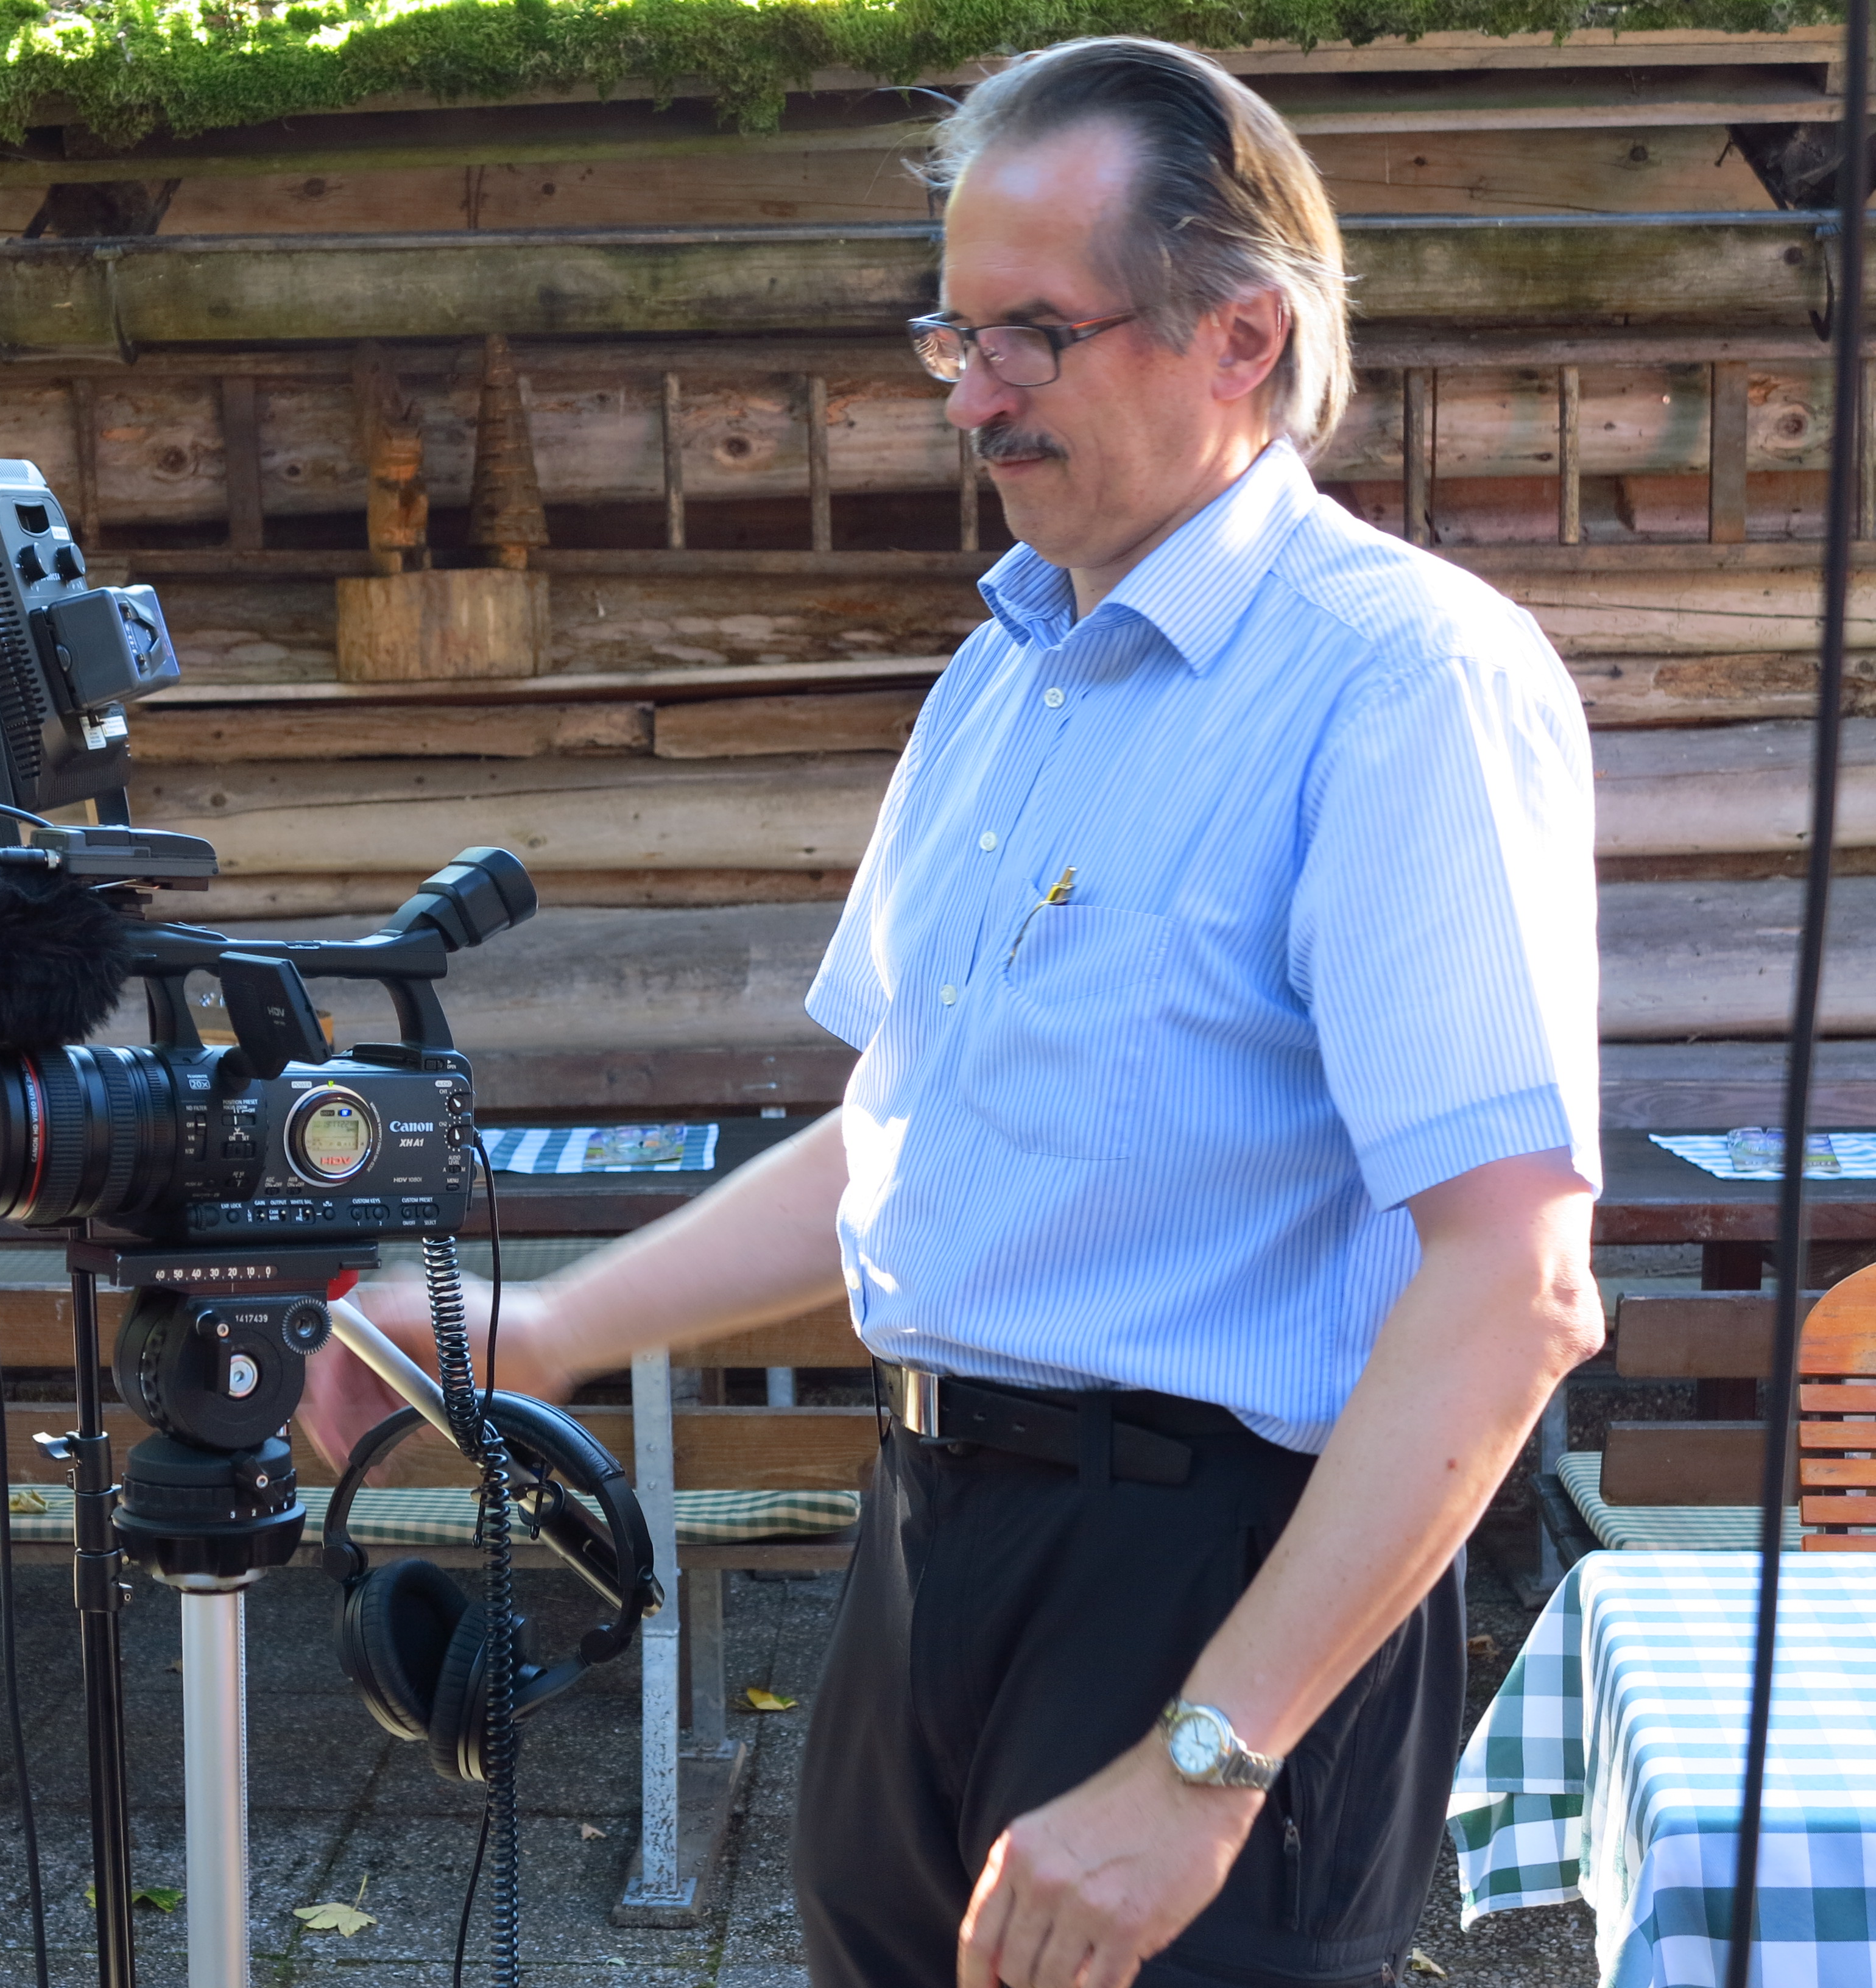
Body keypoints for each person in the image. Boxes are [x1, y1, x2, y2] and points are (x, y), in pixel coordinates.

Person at [300, 35, 1604, 1988]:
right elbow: (911, 1124)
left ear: (1241, 335)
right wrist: (545, 1330)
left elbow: (1515, 1285)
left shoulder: (1407, 683)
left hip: (1213, 1581)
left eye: (1033, 338)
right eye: (953, 336)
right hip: (923, 1541)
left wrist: (1208, 1759)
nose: (975, 396)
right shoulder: (1007, 671)